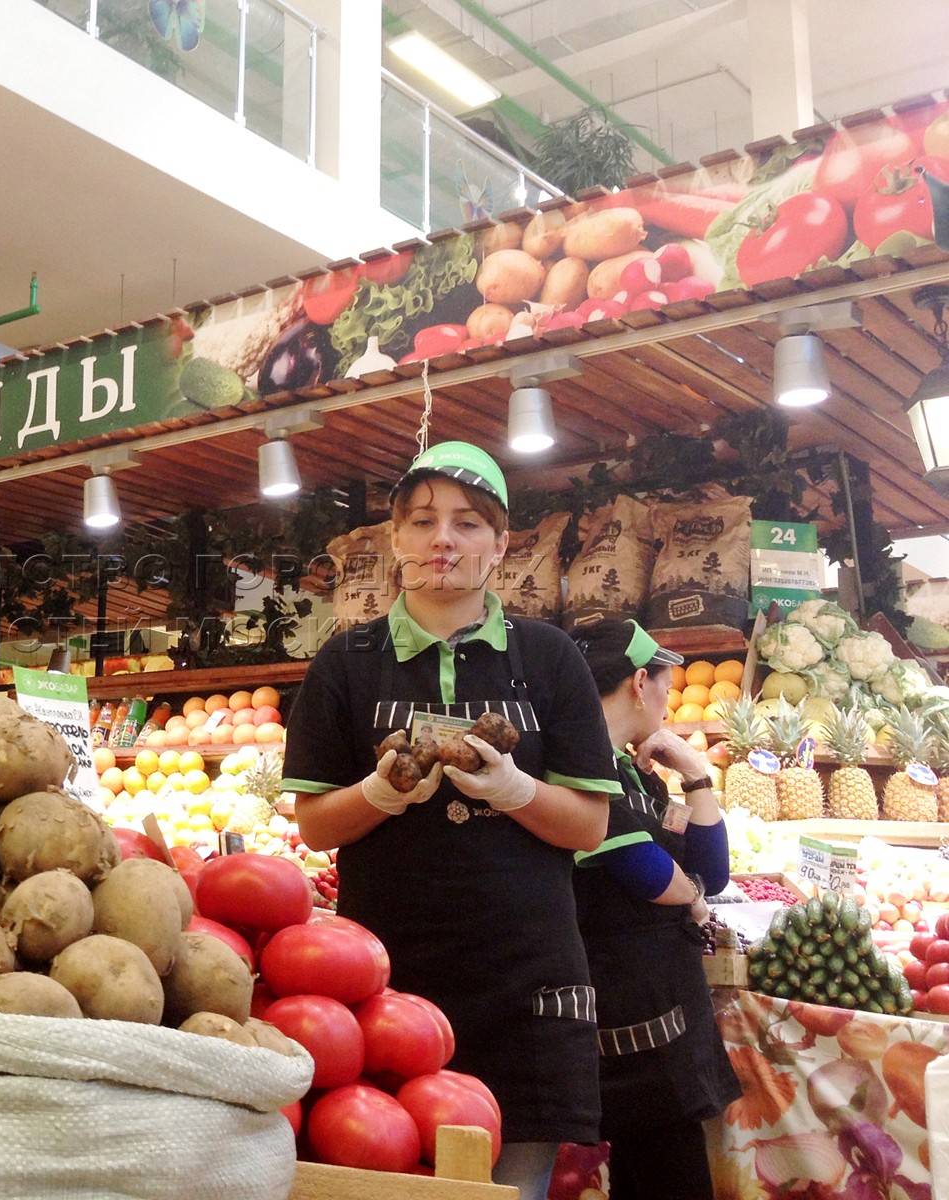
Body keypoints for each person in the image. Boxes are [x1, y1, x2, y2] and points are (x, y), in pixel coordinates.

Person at [283, 441, 620, 1200]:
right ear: (396, 539)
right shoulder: (346, 662)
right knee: (386, 1181)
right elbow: (314, 825)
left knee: (515, 1188)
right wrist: (379, 794)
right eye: (425, 520)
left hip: (526, 985)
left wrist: (515, 790)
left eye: (469, 524)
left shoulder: (550, 657)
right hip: (386, 985)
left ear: (500, 546)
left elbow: (591, 826)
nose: (444, 539)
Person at [571, 619, 740, 1200]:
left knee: (662, 1163)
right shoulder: (581, 765)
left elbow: (710, 872)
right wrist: (691, 900)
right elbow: (644, 873)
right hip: (624, 1002)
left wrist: (695, 776)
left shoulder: (633, 774)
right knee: (670, 1170)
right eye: (667, 685)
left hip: (663, 994)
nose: (669, 701)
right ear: (640, 683)